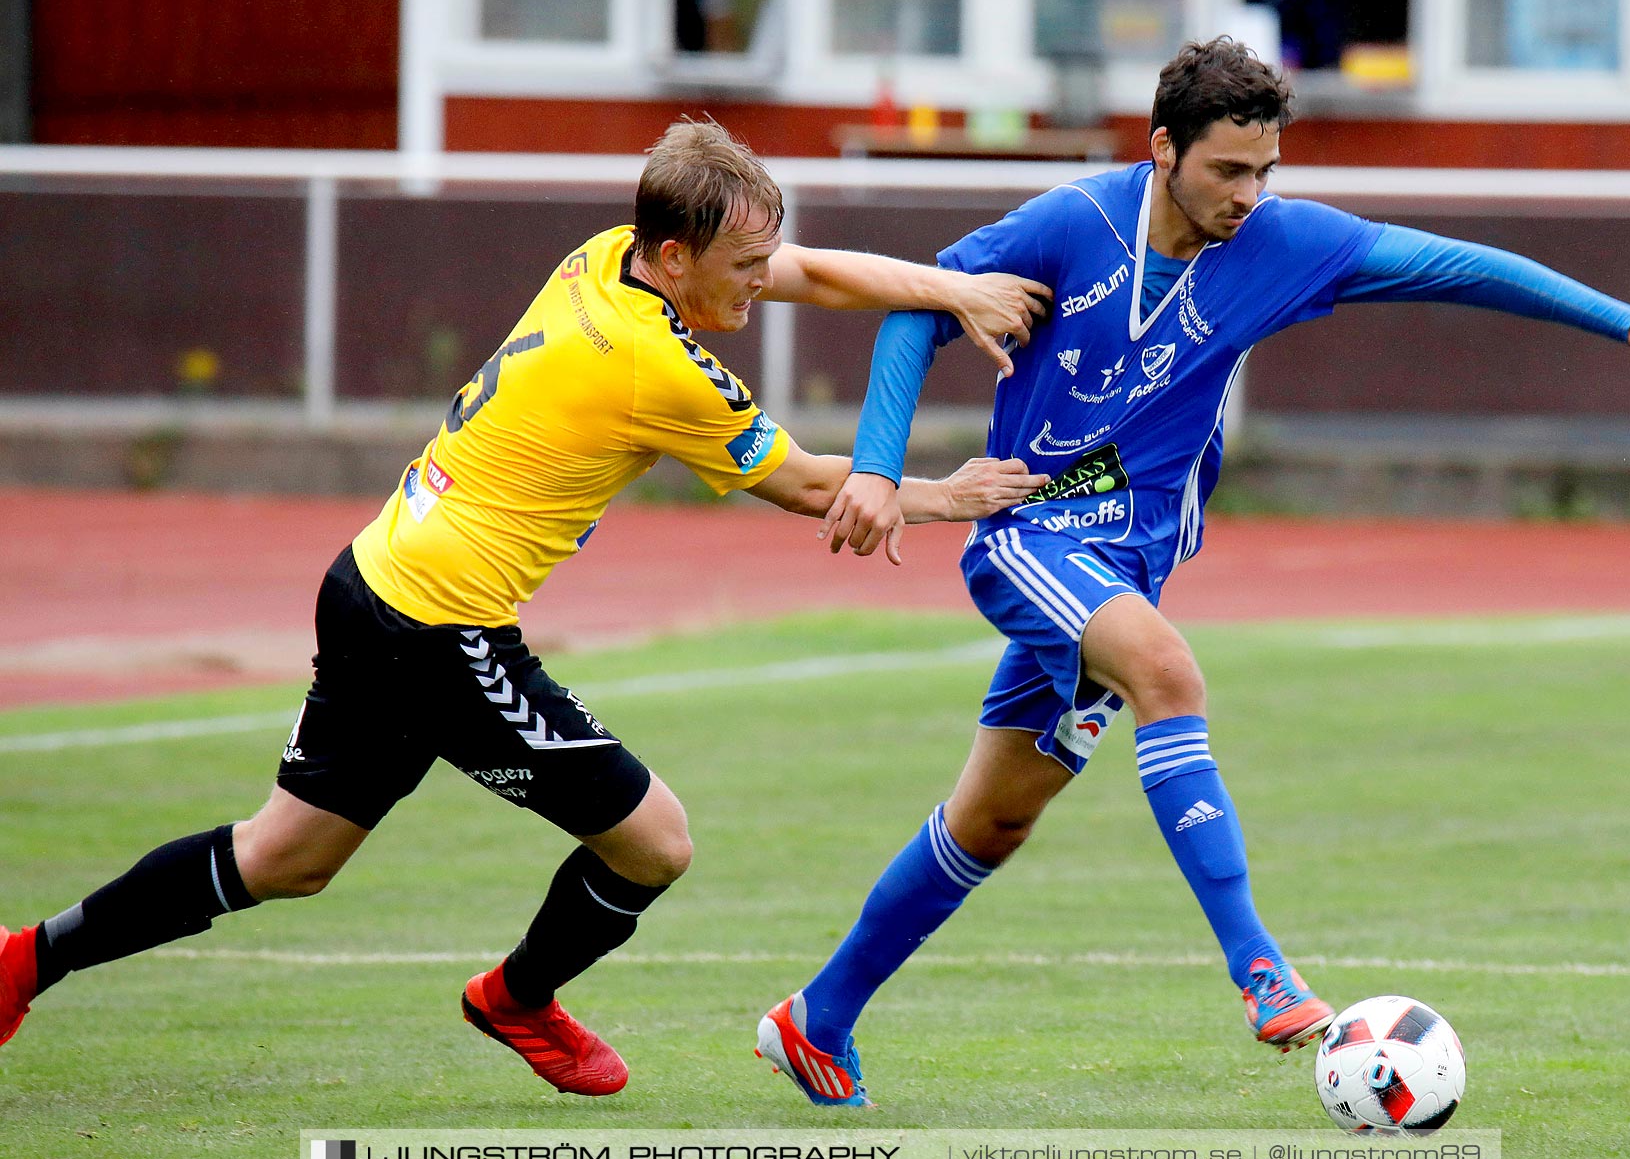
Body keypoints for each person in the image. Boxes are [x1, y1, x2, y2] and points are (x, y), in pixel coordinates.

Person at [755, 37, 1630, 1107]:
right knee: (1169, 676)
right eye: (1229, 170)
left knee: (993, 819)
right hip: (1029, 538)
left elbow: (1457, 266)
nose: (1250, 195)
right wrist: (881, 469)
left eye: (1267, 170)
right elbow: (916, 307)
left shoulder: (1280, 242)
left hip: (1129, 562)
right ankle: (1259, 968)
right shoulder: (1069, 225)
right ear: (1164, 148)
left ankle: (817, 1019)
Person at [0, 119, 1052, 1097]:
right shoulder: (657, 366)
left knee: (287, 858)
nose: (756, 289)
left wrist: (950, 290)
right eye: (739, 271)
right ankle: (518, 1000)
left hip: (369, 579)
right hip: (437, 633)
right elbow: (821, 490)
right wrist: (951, 495)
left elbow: (811, 271)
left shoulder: (607, 253)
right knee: (655, 844)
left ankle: (24, 959)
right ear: (677, 258)